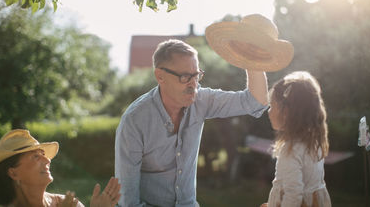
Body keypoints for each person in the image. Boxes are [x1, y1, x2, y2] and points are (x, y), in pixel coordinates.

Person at [115, 39, 269, 206]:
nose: (193, 84)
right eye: (185, 77)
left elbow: (256, 102)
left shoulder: (201, 100)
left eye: (196, 75)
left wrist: (251, 58)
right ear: (160, 76)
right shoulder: (135, 120)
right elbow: (127, 199)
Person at [0, 129, 121, 207]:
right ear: (13, 173)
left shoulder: (66, 203)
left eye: (43, 154)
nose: (47, 160)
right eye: (36, 157)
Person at [260, 71, 331, 207]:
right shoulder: (313, 143)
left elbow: (293, 196)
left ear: (285, 113)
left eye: (272, 106)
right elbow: (308, 189)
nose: (268, 111)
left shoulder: (290, 151)